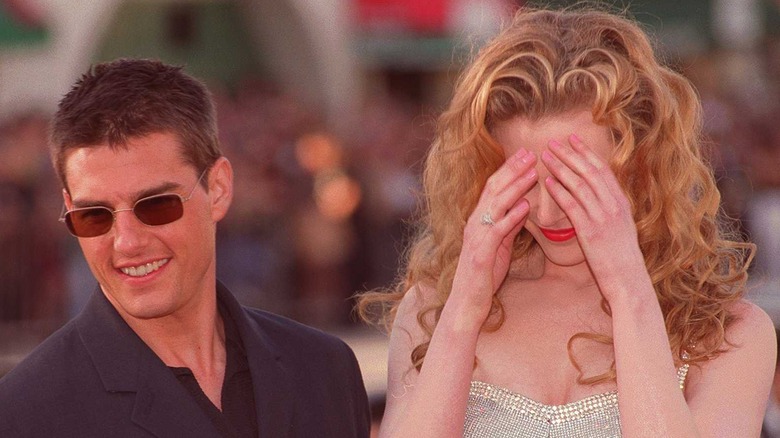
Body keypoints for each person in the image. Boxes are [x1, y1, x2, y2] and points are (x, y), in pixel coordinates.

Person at [359, 6, 776, 437]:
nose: (547, 212)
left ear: (642, 164)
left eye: (575, 182)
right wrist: (464, 306)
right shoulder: (433, 309)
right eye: (524, 182)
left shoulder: (727, 333)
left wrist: (629, 291)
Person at [0, 58, 371, 437]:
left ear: (219, 190)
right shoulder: (27, 415)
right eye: (94, 215)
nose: (127, 242)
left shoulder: (325, 371)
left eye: (156, 205)